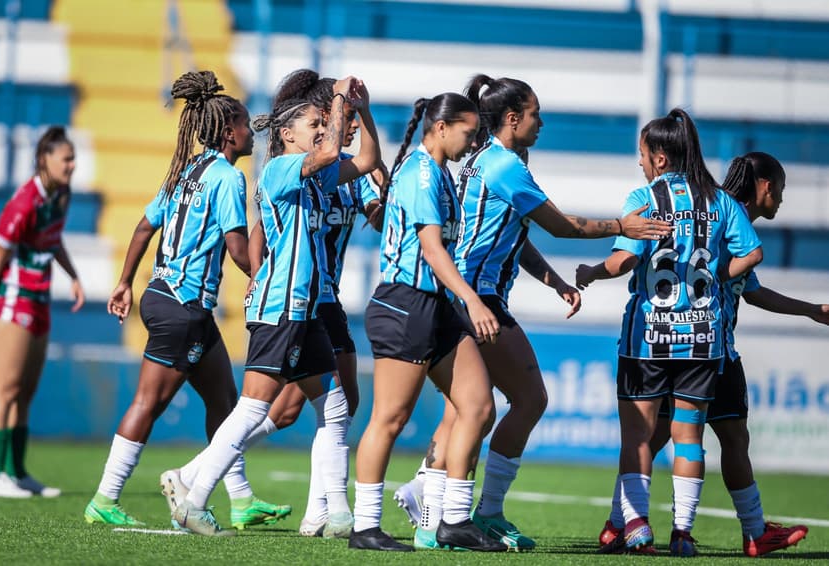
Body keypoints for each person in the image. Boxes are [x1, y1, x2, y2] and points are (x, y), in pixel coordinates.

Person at [391, 74, 671, 551]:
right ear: (513, 118)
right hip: (478, 299)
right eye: (535, 113)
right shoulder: (504, 166)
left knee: (465, 410)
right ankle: (482, 511)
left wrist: (554, 280)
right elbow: (560, 226)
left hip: (460, 295)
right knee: (529, 399)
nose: (541, 122)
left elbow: (514, 237)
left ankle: (429, 508)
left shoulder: (482, 159)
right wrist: (622, 225)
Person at [170, 69, 383, 538]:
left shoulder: (314, 174)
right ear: (288, 134)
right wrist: (341, 101)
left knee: (333, 408)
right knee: (252, 408)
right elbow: (332, 151)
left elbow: (367, 159)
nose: (323, 130)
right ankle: (194, 496)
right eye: (314, 123)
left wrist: (361, 110)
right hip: (281, 307)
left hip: (304, 308)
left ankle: (336, 515)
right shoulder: (283, 169)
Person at [84, 70, 288, 529]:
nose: (248, 130)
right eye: (241, 123)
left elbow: (142, 227)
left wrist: (124, 283)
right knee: (148, 403)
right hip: (184, 305)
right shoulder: (227, 179)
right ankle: (105, 496)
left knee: (225, 403)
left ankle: (240, 499)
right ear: (226, 132)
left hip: (165, 295)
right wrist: (267, 275)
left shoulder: (185, 171)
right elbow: (238, 249)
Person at [596, 151, 818, 557]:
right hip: (709, 350)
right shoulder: (723, 218)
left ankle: (618, 524)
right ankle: (750, 532)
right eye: (780, 189)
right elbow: (743, 280)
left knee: (655, 437)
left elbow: (752, 290)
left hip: (671, 345)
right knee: (722, 437)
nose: (781, 199)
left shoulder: (712, 213)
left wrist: (809, 311)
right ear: (765, 187)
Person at [575, 108, 764, 556]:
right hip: (702, 339)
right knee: (689, 436)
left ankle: (638, 529)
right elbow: (752, 255)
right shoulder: (721, 202)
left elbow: (623, 261)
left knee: (638, 438)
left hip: (648, 338)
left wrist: (590, 272)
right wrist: (716, 274)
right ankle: (682, 533)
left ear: (659, 157)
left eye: (642, 153)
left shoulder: (644, 198)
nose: (639, 162)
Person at [348, 93, 506, 553]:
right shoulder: (421, 173)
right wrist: (473, 301)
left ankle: (454, 520)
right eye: (468, 132)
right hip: (406, 304)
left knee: (478, 407)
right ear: (440, 128)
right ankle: (365, 527)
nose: (472, 140)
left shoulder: (438, 173)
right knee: (389, 419)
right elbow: (433, 250)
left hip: (435, 308)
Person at [0, 126, 84, 498]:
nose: (72, 166)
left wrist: (72, 275)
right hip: (13, 302)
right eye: (66, 159)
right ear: (45, 159)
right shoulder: (22, 203)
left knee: (25, 392)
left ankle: (17, 472)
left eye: (74, 159)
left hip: (39, 302)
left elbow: (53, 241)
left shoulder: (61, 196)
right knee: (5, 389)